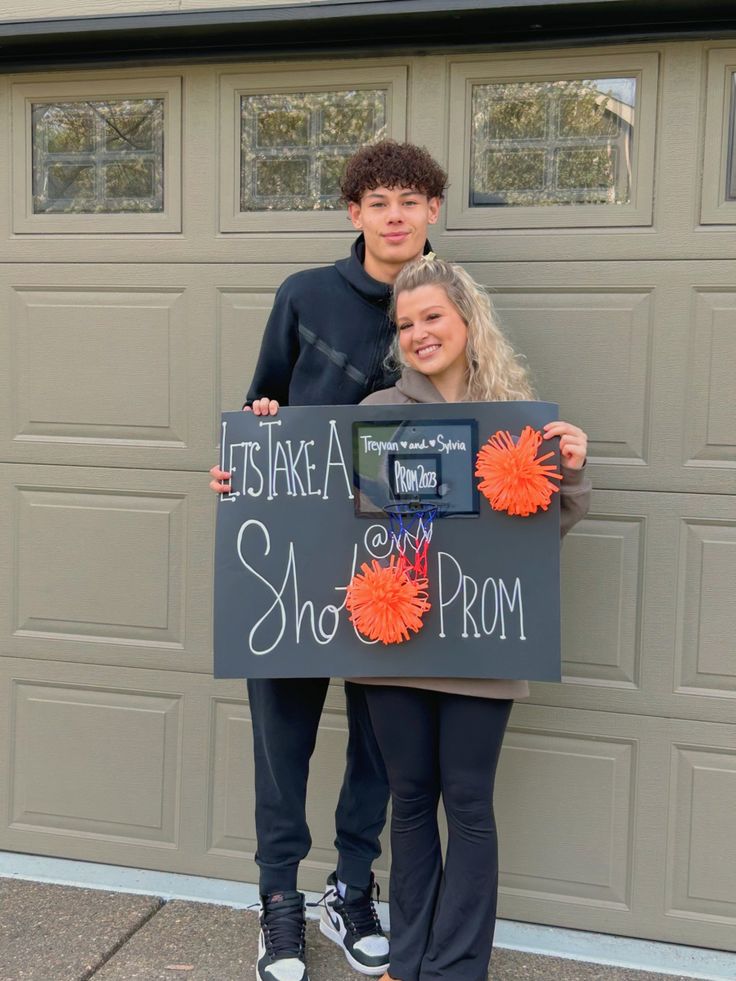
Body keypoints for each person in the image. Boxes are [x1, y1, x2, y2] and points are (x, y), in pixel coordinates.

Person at [208, 141, 449, 981]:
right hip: (295, 553)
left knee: (383, 741)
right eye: (379, 199)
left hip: (395, 555)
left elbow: (478, 410)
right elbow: (259, 405)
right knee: (283, 736)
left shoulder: (451, 301)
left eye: (411, 200)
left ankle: (353, 888)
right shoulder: (304, 294)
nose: (395, 215)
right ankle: (279, 901)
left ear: (433, 214)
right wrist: (246, 450)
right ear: (354, 213)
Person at [356, 255, 592, 981]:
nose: (420, 333)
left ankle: (458, 967)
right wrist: (252, 467)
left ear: (466, 321)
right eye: (406, 324)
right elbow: (333, 520)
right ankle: (408, 957)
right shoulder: (377, 415)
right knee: (410, 797)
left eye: (432, 316)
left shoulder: (513, 422)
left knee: (467, 800)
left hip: (482, 645)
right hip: (394, 642)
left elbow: (534, 538)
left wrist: (572, 472)